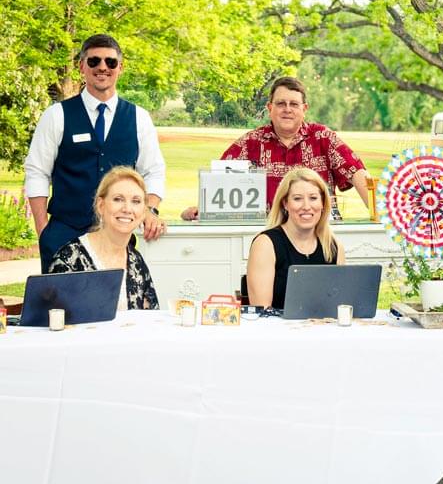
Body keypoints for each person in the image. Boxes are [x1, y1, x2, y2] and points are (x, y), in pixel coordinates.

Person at [25, 34, 167, 273]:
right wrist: (43, 230)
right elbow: (37, 172)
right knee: (61, 309)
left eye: (111, 62)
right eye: (94, 61)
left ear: (120, 68)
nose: (102, 67)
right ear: (82, 66)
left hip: (117, 237)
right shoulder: (57, 115)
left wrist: (149, 210)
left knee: (114, 307)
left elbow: (154, 171)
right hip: (64, 234)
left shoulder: (138, 118)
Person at [181, 76, 371, 220]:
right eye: (281, 103)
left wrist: (379, 213)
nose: (287, 109)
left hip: (319, 233)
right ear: (270, 107)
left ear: (304, 109)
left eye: (294, 104)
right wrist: (201, 209)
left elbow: (356, 172)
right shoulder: (250, 143)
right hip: (269, 237)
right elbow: (219, 185)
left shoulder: (323, 138)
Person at [47, 167, 159, 311]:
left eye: (136, 201)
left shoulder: (136, 261)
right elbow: (54, 322)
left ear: (144, 211)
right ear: (101, 205)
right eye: (118, 199)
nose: (127, 208)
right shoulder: (69, 259)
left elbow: (151, 320)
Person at [246, 167, 346, 309]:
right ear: (285, 203)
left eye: (313, 198)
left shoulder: (334, 247)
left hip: (324, 329)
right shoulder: (265, 244)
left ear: (323, 203)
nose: (306, 206)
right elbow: (262, 311)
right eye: (297, 199)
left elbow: (341, 306)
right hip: (277, 329)